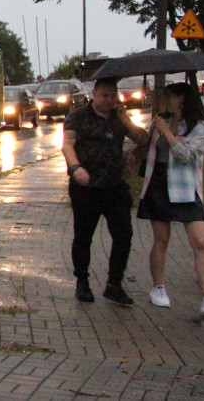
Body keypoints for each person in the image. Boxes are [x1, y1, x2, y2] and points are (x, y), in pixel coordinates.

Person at [137, 82, 204, 314]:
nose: (166, 100)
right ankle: (158, 288)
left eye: (171, 96)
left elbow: (187, 155)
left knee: (200, 241)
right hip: (159, 185)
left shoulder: (200, 128)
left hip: (186, 188)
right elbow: (151, 150)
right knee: (161, 239)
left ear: (182, 100)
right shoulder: (160, 121)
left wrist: (167, 131)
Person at [62, 76, 147, 305]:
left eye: (112, 96)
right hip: (86, 187)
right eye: (104, 96)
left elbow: (143, 138)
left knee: (123, 235)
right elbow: (67, 144)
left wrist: (126, 120)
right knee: (83, 236)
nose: (108, 101)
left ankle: (114, 284)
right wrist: (75, 167)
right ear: (95, 94)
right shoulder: (78, 117)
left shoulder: (118, 118)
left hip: (114, 185)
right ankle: (82, 281)